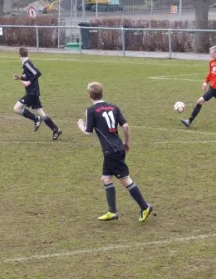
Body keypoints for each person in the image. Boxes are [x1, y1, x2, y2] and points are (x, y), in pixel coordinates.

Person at [78, 82, 153, 222]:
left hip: (110, 151)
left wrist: (81, 125)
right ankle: (112, 212)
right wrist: (127, 142)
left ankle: (145, 207)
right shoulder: (114, 107)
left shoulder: (91, 110)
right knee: (106, 179)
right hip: (117, 148)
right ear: (102, 93)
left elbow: (88, 132)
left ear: (89, 95)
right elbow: (125, 126)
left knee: (125, 180)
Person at [13, 47, 62, 140]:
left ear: (19, 55)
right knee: (40, 112)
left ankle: (36, 119)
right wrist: (20, 77)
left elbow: (37, 73)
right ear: (28, 54)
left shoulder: (27, 63)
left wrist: (28, 82)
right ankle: (56, 129)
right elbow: (29, 75)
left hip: (32, 92)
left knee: (16, 108)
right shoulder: (26, 64)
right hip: (33, 92)